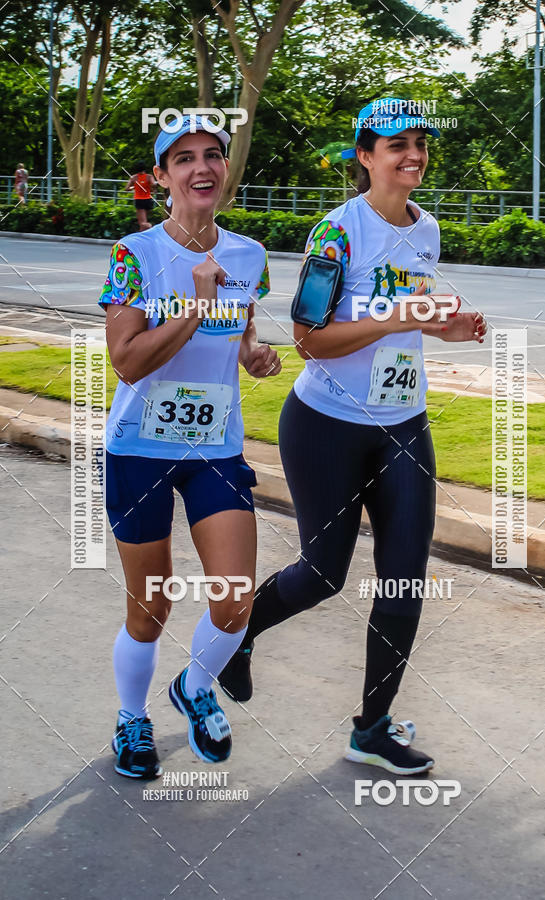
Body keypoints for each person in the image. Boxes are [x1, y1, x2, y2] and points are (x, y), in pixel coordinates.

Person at [218, 98, 487, 775]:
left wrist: (441, 326)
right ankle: (241, 630)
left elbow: (412, 318)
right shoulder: (336, 234)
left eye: (420, 143)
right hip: (326, 427)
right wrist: (397, 315)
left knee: (404, 581)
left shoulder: (426, 231)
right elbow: (309, 339)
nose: (413, 155)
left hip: (403, 425)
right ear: (364, 156)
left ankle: (372, 729)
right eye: (396, 145)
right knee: (323, 574)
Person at [99, 114, 281, 779]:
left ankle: (196, 687)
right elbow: (126, 362)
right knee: (150, 607)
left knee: (235, 598)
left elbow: (240, 336)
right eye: (184, 158)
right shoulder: (135, 254)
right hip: (139, 450)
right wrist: (193, 308)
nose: (201, 168)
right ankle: (131, 717)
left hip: (214, 449)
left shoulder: (248, 256)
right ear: (163, 176)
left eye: (213, 155)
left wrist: (254, 355)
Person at [125, 161, 156, 231]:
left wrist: (134, 187)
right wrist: (151, 189)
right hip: (148, 200)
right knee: (142, 226)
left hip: (139, 200)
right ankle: (142, 239)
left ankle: (152, 228)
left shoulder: (134, 177)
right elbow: (154, 184)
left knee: (143, 223)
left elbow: (127, 188)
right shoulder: (149, 177)